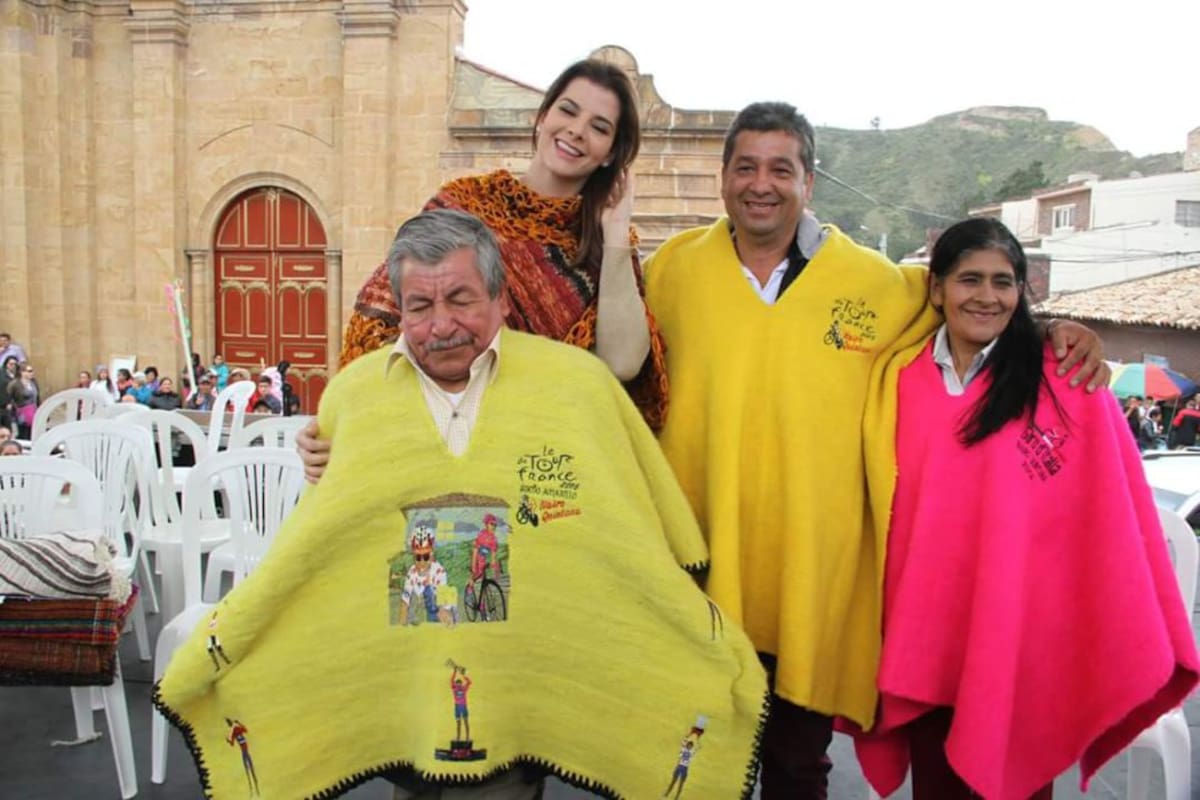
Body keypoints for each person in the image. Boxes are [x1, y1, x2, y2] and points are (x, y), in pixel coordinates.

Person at [156, 210, 766, 800]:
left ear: (502, 300)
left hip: (526, 683)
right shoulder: (354, 396)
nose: (441, 324)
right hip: (399, 681)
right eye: (420, 306)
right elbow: (328, 542)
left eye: (461, 299)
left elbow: (628, 520)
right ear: (400, 309)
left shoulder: (578, 388)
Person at [643, 102, 1109, 799]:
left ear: (810, 181)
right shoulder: (671, 272)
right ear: (723, 178)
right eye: (745, 167)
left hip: (814, 577)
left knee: (799, 764)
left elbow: (973, 303)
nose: (761, 184)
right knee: (694, 758)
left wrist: (1053, 332)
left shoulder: (875, 282)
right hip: (702, 567)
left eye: (781, 168)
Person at [853, 218, 1199, 799]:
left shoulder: (1067, 383)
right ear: (935, 289)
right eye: (968, 279)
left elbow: (1111, 515)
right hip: (922, 636)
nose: (986, 296)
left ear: (1021, 293)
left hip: (1019, 639)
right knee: (936, 786)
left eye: (1003, 282)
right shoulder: (896, 379)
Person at [296, 57, 667, 480]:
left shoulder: (608, 246)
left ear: (611, 154)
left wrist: (616, 232)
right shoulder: (465, 203)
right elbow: (381, 318)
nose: (577, 130)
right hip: (440, 446)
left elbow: (621, 364)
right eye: (568, 110)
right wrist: (337, 422)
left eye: (600, 127)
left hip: (544, 463)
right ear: (544, 116)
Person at [6, 362, 39, 439]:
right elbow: (9, 396)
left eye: (32, 371)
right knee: (23, 431)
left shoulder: (33, 382)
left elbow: (37, 397)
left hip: (33, 409)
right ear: (22, 372)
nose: (32, 373)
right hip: (22, 411)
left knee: (33, 431)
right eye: (29, 371)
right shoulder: (15, 384)